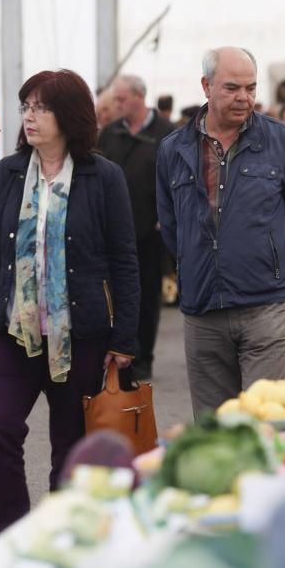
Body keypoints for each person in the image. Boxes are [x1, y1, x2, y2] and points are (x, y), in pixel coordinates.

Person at [0, 69, 139, 530]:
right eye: (26, 106)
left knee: (70, 443)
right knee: (0, 430)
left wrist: (125, 338)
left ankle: (66, 535)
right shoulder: (7, 173)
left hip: (79, 335)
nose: (30, 116)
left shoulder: (103, 177)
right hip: (14, 332)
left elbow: (124, 259)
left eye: (41, 107)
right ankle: (13, 533)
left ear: (69, 115)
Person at [156, 47, 285, 416]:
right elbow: (170, 224)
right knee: (214, 428)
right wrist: (193, 263)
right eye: (231, 88)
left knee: (264, 420)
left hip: (265, 305)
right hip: (202, 307)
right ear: (206, 86)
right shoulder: (173, 149)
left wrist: (274, 266)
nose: (244, 97)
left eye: (250, 87)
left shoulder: (283, 142)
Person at [97, 74, 175, 381]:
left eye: (120, 99)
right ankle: (120, 351)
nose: (116, 105)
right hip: (114, 229)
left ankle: (144, 357)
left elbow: (174, 178)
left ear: (139, 97)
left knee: (147, 296)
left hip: (149, 231)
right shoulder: (111, 134)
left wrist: (165, 216)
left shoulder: (165, 133)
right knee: (115, 294)